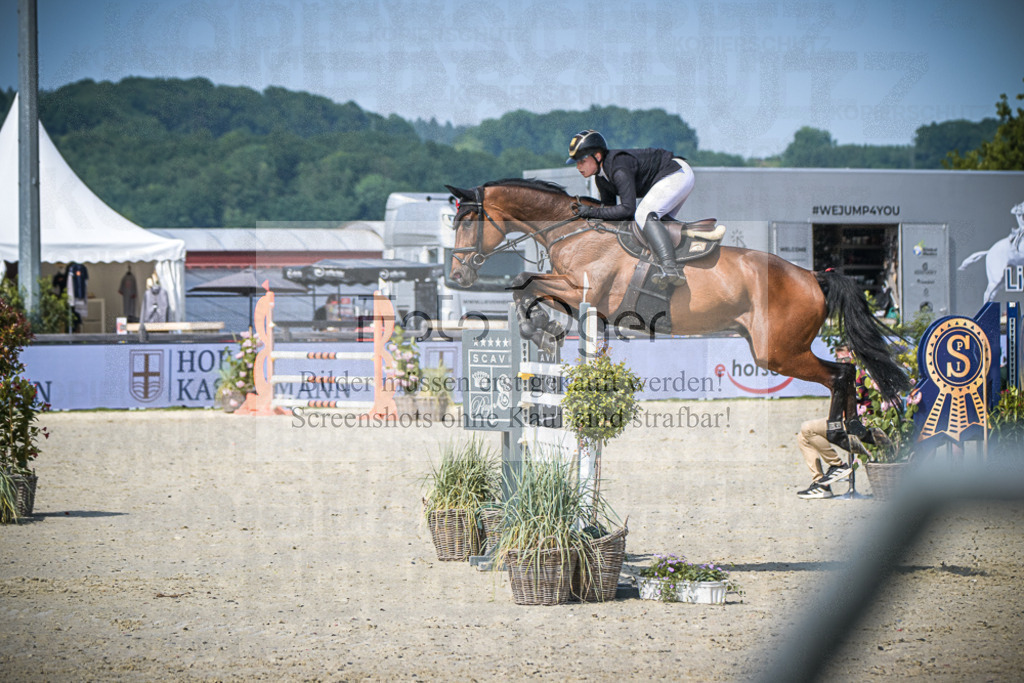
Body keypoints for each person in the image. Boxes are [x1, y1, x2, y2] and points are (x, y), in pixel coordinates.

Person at [566, 129, 694, 286]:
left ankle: (670, 268)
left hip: (676, 174)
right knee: (648, 223)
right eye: (576, 162)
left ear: (597, 156)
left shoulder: (618, 168)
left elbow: (627, 209)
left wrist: (591, 212)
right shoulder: (601, 178)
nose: (578, 167)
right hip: (670, 177)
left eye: (582, 161)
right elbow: (611, 215)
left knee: (643, 214)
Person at [796, 345, 892, 499]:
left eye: (845, 359)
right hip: (844, 420)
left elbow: (863, 405)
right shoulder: (847, 374)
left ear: (853, 357)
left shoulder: (859, 376)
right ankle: (821, 484)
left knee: (807, 428)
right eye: (838, 360)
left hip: (858, 422)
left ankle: (837, 465)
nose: (842, 363)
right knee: (802, 437)